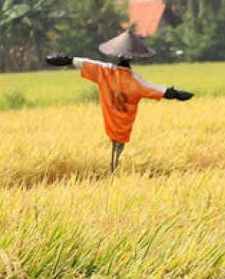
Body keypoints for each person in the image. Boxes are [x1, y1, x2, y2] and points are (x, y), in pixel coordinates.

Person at [45, 30, 194, 172]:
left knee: (114, 149)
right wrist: (177, 94)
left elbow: (84, 62)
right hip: (123, 126)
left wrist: (67, 60)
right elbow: (160, 90)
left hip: (110, 122)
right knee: (118, 149)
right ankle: (115, 169)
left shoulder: (105, 72)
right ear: (133, 57)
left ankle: (113, 170)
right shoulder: (137, 82)